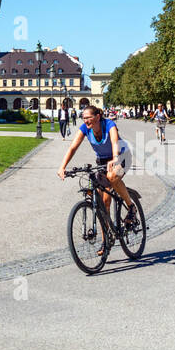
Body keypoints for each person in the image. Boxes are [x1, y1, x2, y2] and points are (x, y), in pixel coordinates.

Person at [57, 105, 138, 251]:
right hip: (102, 161)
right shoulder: (85, 128)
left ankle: (131, 207)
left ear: (97, 116)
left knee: (113, 177)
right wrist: (62, 167)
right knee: (102, 203)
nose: (86, 121)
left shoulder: (109, 124)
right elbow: (73, 147)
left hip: (121, 156)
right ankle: (106, 240)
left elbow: (114, 142)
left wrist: (114, 158)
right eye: (84, 118)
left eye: (89, 118)